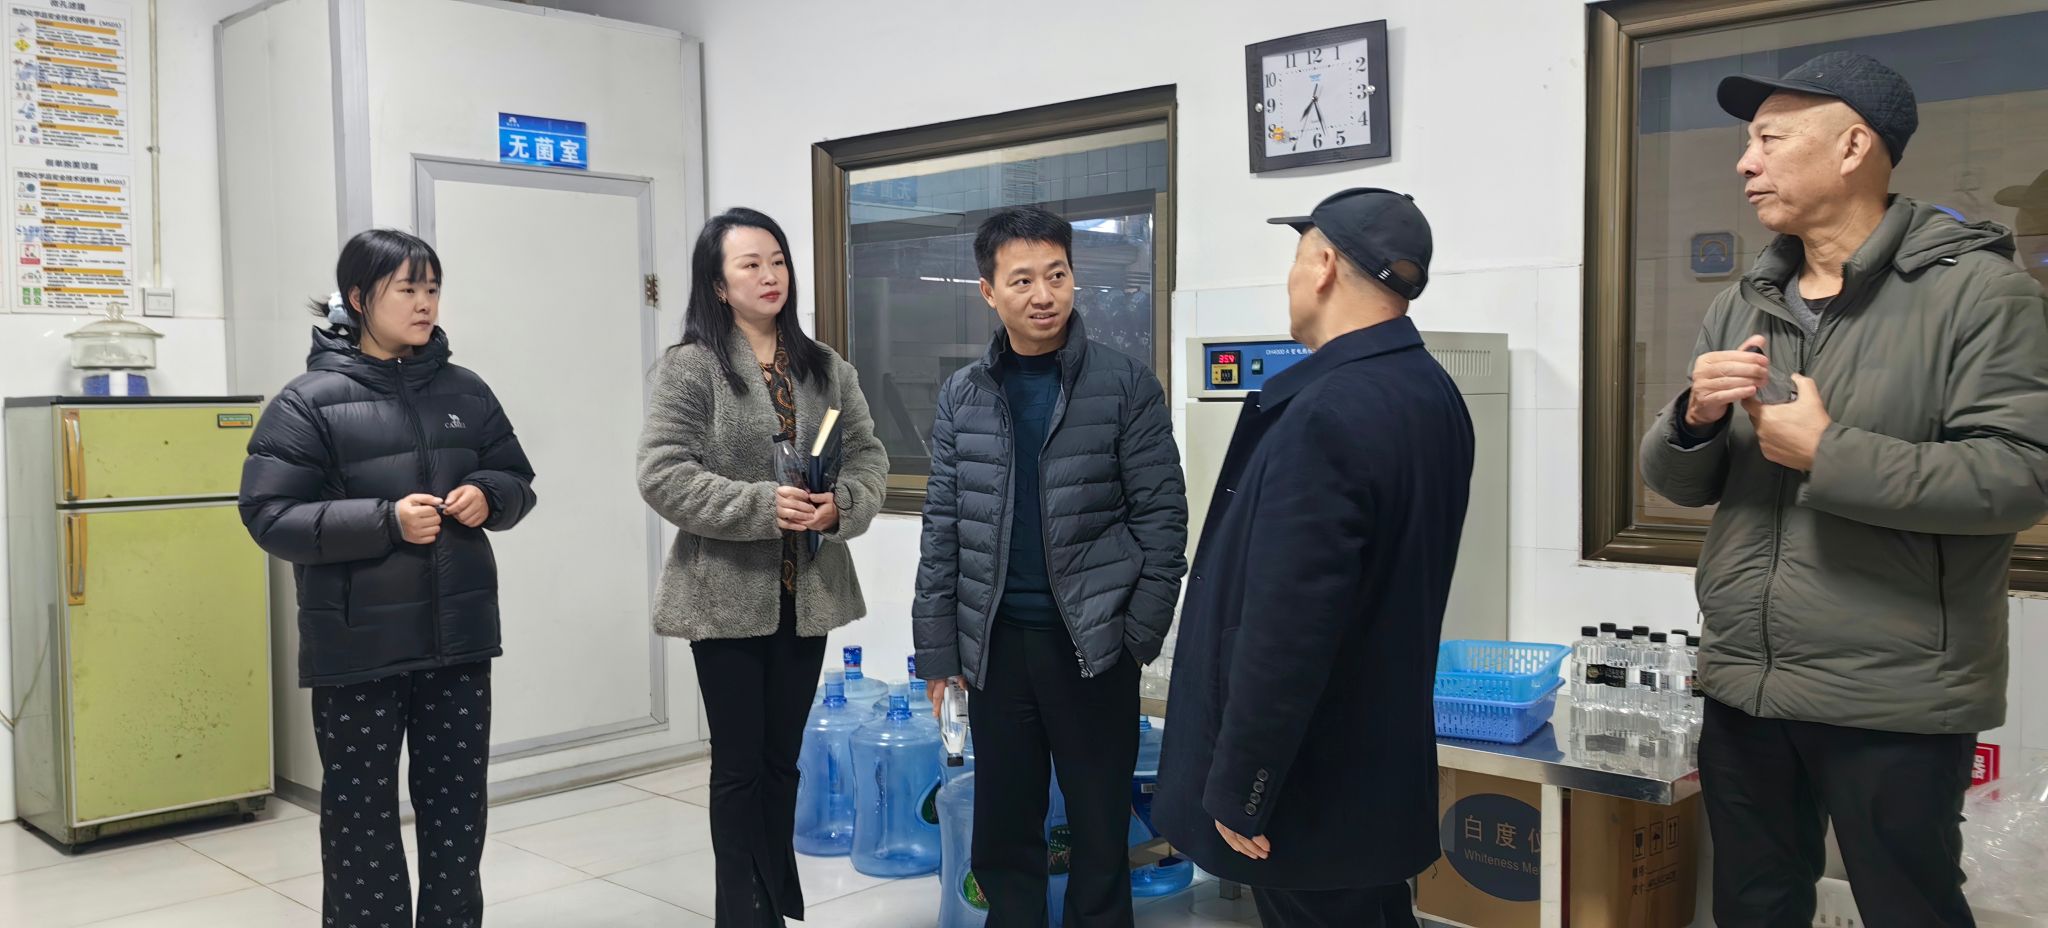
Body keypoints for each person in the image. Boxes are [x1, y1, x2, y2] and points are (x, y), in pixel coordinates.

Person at [1639, 52, 2048, 928]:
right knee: (1752, 907)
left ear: (1854, 146)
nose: (1745, 163)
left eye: (1769, 140)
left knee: (1909, 909)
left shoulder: (1980, 295)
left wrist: (1830, 453)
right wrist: (1693, 420)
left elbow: (2020, 476)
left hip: (1894, 692)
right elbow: (1680, 484)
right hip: (1746, 682)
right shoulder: (1746, 300)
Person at [1152, 189, 1473, 928]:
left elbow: (1289, 625)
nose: (1292, 278)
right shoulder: (1431, 392)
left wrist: (1243, 784)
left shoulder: (1326, 411)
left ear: (1324, 264)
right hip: (1373, 764)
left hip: (1305, 777)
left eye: (1298, 258)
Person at [239, 228, 538, 928]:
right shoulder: (307, 401)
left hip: (458, 643)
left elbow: (516, 477)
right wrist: (385, 520)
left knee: (458, 815)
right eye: (407, 289)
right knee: (361, 821)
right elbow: (269, 516)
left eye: (432, 288)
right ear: (358, 298)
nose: (424, 303)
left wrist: (489, 495)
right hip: (357, 650)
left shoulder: (466, 390)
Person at [913, 206, 1187, 928]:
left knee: (1099, 826)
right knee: (1005, 827)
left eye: (1057, 275)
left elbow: (1163, 518)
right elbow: (943, 530)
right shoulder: (965, 394)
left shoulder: (1125, 384)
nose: (1044, 295)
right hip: (997, 648)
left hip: (1094, 646)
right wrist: (939, 653)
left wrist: (1137, 635)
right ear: (988, 292)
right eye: (1023, 280)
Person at [637, 207, 888, 927]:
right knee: (740, 767)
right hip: (724, 598)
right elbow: (662, 473)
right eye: (750, 264)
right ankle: (742, 913)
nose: (769, 275)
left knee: (783, 761)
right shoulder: (692, 368)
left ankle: (773, 904)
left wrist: (840, 506)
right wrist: (762, 505)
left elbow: (868, 455)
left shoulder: (825, 366)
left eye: (776, 260)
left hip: (808, 595)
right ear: (718, 284)